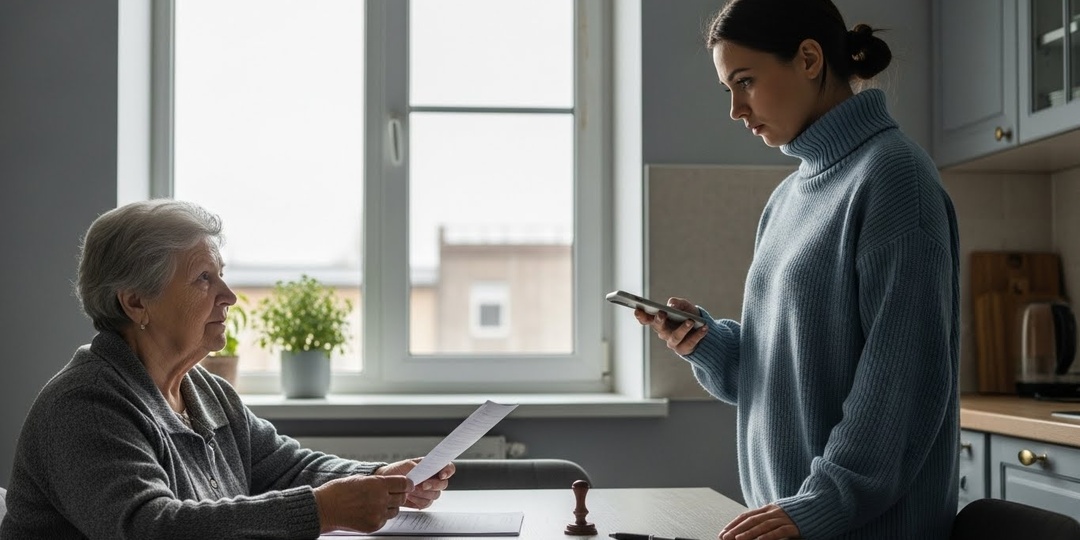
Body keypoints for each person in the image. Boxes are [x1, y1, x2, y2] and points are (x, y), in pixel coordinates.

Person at [634, 1, 960, 538]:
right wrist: (709, 344)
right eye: (727, 89)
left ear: (809, 58)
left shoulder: (895, 178)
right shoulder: (788, 196)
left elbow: (901, 381)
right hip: (795, 524)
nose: (736, 108)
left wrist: (819, 505)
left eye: (745, 81)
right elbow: (790, 376)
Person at [0, 199, 455, 539]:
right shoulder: (85, 406)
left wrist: (379, 479)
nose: (229, 295)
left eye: (221, 274)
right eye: (204, 278)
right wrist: (321, 510)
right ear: (136, 301)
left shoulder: (206, 392)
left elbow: (286, 467)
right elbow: (150, 528)